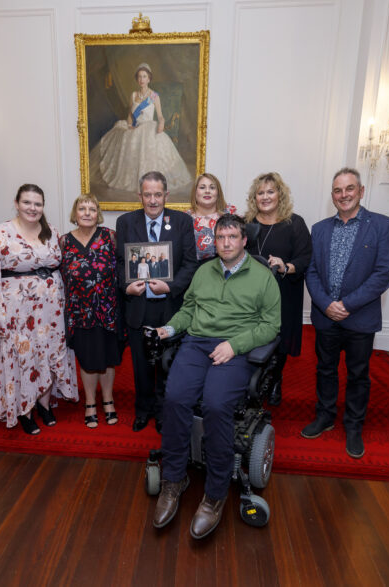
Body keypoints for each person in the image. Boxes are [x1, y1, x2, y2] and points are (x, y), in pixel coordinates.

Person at [153, 214, 280, 539]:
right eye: (220, 237)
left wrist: (234, 345)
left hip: (236, 348)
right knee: (176, 398)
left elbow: (270, 326)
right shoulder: (204, 271)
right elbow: (189, 309)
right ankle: (174, 479)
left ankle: (215, 493)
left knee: (215, 404)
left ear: (243, 241)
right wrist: (169, 328)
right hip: (196, 343)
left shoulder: (263, 277)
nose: (225, 243)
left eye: (232, 237)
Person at [302, 167, 389, 459]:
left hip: (360, 317)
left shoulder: (381, 226)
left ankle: (353, 425)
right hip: (325, 315)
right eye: (338, 191)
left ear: (361, 191)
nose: (344, 195)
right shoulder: (319, 229)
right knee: (324, 369)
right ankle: (325, 416)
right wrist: (326, 304)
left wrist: (347, 305)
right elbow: (312, 272)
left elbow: (383, 274)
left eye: (349, 189)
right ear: (333, 196)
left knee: (358, 374)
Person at [0, 183, 78, 435]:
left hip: (52, 310)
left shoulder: (51, 231)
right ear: (17, 203)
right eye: (27, 203)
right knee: (24, 357)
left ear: (43, 206)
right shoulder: (0, 233)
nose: (33, 208)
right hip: (16, 312)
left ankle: (44, 405)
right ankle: (24, 409)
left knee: (51, 354)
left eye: (38, 204)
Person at [115, 171, 198, 432]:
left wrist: (170, 287)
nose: (153, 200)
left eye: (158, 195)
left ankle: (163, 413)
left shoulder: (182, 221)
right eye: (147, 194)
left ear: (166, 195)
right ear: (140, 196)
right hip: (138, 307)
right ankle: (143, 410)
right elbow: (119, 264)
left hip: (169, 307)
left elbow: (190, 264)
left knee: (167, 364)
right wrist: (128, 286)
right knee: (141, 365)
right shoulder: (125, 222)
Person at [245, 172, 312, 405]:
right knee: (252, 338)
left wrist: (286, 266)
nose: (265, 197)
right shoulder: (246, 224)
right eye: (260, 192)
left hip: (283, 291)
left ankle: (274, 379)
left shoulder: (295, 223)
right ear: (254, 197)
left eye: (270, 191)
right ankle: (251, 379)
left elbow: (306, 258)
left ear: (280, 195)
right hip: (249, 297)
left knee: (279, 340)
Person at [60, 194, 123, 428]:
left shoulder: (110, 237)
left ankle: (108, 400)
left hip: (108, 310)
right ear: (75, 213)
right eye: (82, 208)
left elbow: (125, 268)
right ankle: (89, 402)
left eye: (92, 209)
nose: (87, 213)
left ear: (98, 214)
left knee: (108, 358)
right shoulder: (64, 242)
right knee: (87, 359)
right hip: (79, 311)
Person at [88, 63, 192, 193]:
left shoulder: (154, 96)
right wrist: (129, 125)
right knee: (124, 136)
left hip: (149, 127)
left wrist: (161, 123)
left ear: (149, 79)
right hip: (135, 128)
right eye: (139, 77)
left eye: (144, 76)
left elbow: (160, 116)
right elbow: (131, 116)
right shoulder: (133, 95)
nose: (142, 79)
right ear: (137, 79)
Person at [189, 173, 237, 261]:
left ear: (218, 192)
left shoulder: (230, 214)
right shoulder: (185, 219)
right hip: (195, 271)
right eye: (202, 187)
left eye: (212, 187)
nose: (207, 191)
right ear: (195, 192)